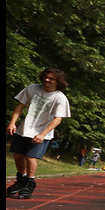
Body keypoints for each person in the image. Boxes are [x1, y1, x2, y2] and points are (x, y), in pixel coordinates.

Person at [6, 68, 71, 199]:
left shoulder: (60, 98)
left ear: (58, 82)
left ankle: (30, 183)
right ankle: (21, 180)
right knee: (18, 155)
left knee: (30, 157)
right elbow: (20, 105)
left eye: (51, 79)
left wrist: (42, 134)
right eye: (46, 77)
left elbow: (58, 119)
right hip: (24, 129)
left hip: (42, 133)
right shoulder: (32, 88)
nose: (47, 80)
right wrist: (12, 122)